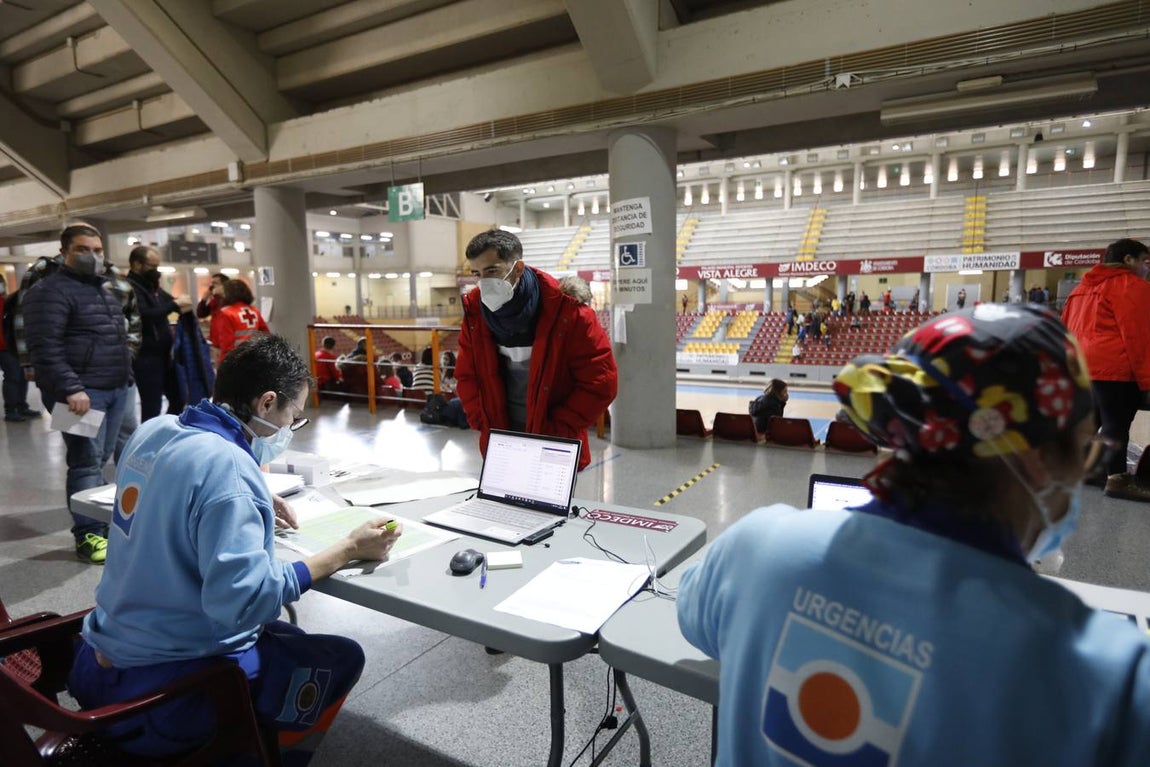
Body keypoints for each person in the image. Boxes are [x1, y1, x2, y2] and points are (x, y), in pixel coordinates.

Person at [677, 304, 1150, 766]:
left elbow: (693, 617)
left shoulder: (757, 545)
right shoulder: (1110, 678)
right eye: (1084, 448)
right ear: (1036, 459)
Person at [68, 334, 403, 764]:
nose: (288, 430)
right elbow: (244, 601)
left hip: (100, 658)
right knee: (342, 656)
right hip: (161, 694)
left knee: (291, 637)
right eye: (292, 416)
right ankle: (261, 754)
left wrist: (251, 494)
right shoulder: (227, 470)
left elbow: (178, 491)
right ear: (266, 403)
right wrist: (348, 549)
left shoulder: (157, 429)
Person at [456, 229, 617, 471]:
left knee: (549, 509)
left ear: (518, 268)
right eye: (477, 274)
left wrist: (557, 429)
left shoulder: (569, 312)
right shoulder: (476, 315)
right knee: (501, 508)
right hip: (501, 442)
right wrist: (483, 420)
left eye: (491, 271)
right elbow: (466, 376)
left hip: (555, 442)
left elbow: (601, 382)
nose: (484, 282)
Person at [23, 224, 136, 564]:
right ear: (64, 253)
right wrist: (70, 388)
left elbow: (117, 336)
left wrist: (126, 374)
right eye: (84, 250)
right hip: (80, 394)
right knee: (86, 461)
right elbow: (45, 348)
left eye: (98, 251)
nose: (93, 256)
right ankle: (88, 535)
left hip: (116, 387)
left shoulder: (103, 290)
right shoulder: (48, 292)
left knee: (103, 459)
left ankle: (105, 523)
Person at [1062, 238, 1150, 501]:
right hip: (1115, 368)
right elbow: (1138, 335)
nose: (1146, 268)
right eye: (1145, 262)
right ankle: (1118, 480)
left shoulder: (1080, 289)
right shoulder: (1133, 286)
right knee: (1117, 424)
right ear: (1128, 260)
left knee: (1092, 421)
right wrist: (1146, 377)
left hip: (1082, 366)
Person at [126, 245, 193, 420]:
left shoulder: (152, 287)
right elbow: (144, 314)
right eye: (151, 266)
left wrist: (180, 303)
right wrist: (174, 305)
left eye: (157, 266)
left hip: (165, 356)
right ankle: (151, 441)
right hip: (146, 357)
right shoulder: (130, 288)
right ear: (136, 265)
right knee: (151, 407)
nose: (155, 271)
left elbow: (169, 302)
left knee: (179, 398)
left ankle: (165, 433)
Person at [0, 285, 40, 422]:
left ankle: (21, 405)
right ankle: (10, 410)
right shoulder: (9, 301)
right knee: (12, 377)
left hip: (16, 345)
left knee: (22, 376)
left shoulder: (9, 300)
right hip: (4, 347)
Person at [216, 279, 269, 362]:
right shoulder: (254, 311)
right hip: (254, 357)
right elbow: (265, 334)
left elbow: (227, 345)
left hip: (236, 360)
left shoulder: (226, 313)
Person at [195, 272, 229, 351]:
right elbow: (201, 314)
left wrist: (220, 295)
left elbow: (223, 312)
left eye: (215, 283)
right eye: (212, 283)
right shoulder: (214, 300)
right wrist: (204, 300)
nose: (212, 286)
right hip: (215, 341)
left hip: (226, 341)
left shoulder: (229, 299)